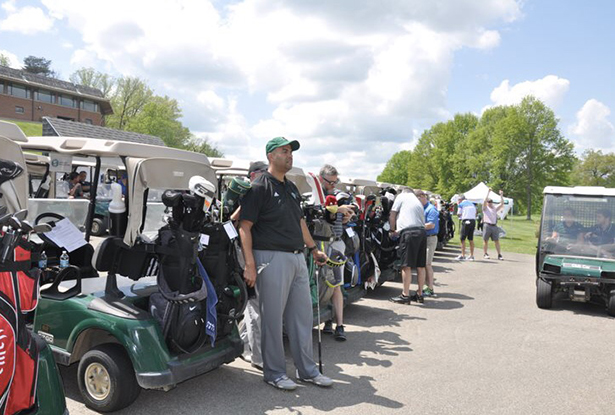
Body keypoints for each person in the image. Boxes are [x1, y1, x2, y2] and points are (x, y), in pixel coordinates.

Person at [239, 137, 333, 391]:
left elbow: (299, 222)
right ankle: (275, 372)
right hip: (269, 257)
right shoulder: (259, 187)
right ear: (271, 156)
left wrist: (313, 249)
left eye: (291, 152)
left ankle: (307, 371)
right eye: (284, 151)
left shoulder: (290, 187)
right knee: (271, 319)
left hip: (297, 257)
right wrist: (249, 264)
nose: (290, 156)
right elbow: (244, 227)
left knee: (302, 318)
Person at [235, 161, 268, 370]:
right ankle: (257, 355)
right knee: (254, 306)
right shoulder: (245, 194)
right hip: (247, 256)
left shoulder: (262, 195)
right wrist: (249, 263)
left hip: (259, 254)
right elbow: (235, 223)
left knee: (253, 306)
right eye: (263, 174)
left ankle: (246, 346)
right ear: (254, 175)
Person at [318, 164, 354, 341]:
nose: (333, 185)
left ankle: (339, 324)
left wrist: (346, 215)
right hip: (319, 245)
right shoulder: (316, 196)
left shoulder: (339, 196)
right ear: (321, 179)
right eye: (330, 182)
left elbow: (341, 218)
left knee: (335, 285)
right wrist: (335, 210)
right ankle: (327, 320)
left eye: (335, 181)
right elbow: (320, 214)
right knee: (320, 283)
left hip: (335, 244)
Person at [389, 188, 427, 304]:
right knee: (421, 265)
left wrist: (391, 230)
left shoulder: (401, 197)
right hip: (421, 232)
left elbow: (392, 214)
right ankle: (420, 294)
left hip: (409, 233)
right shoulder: (416, 200)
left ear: (402, 191)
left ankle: (405, 295)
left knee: (406, 265)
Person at [416, 190, 438, 297]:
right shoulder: (422, 208)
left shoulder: (431, 209)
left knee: (427, 264)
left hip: (430, 238)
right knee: (422, 264)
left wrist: (416, 226)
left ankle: (430, 288)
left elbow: (431, 225)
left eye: (420, 197)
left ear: (424, 197)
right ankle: (425, 287)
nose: (419, 200)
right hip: (423, 238)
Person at [482, 188, 505, 260]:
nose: (490, 203)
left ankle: (499, 254)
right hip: (487, 225)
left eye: (491, 202)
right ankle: (485, 253)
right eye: (488, 202)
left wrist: (501, 195)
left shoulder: (494, 208)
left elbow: (502, 204)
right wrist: (488, 192)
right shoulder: (485, 208)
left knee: (497, 240)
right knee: (485, 240)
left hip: (494, 226)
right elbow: (484, 200)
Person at [456, 194, 476, 261]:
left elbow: (458, 213)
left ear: (460, 199)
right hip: (473, 221)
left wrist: (460, 216)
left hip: (466, 221)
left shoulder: (461, 204)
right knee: (471, 238)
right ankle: (471, 255)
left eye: (458, 200)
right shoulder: (471, 203)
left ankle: (463, 255)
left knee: (462, 238)